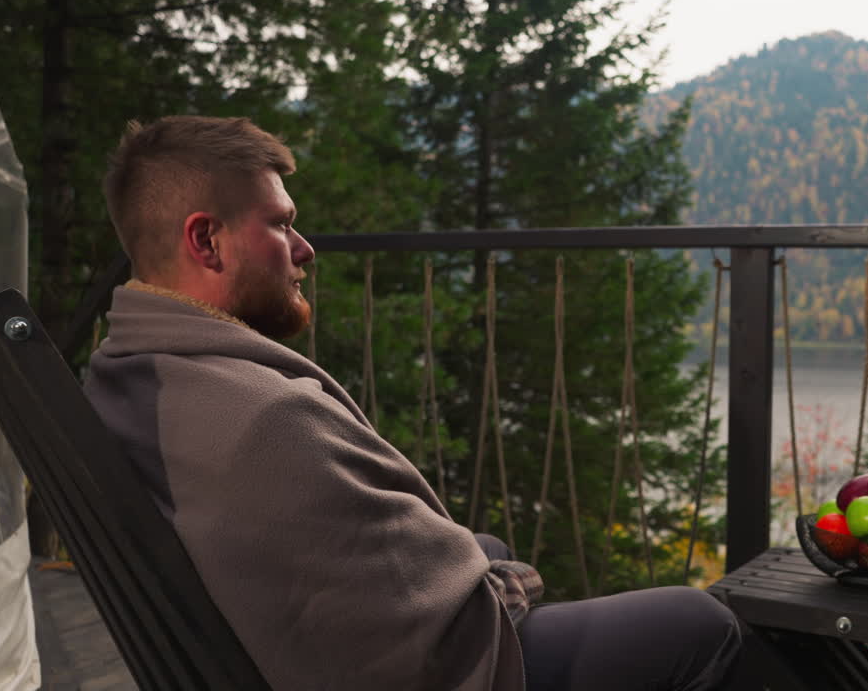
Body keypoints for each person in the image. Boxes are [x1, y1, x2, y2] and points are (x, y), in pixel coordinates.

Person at [84, 115, 756, 691]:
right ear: (206, 240)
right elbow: (445, 636)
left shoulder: (129, 373)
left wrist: (481, 567)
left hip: (262, 648)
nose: (304, 249)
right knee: (702, 623)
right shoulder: (268, 421)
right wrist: (508, 584)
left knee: (482, 546)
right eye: (281, 225)